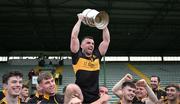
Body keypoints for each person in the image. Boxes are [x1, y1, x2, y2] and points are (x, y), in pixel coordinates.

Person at [70, 12, 110, 103]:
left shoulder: (97, 56)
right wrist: (80, 19)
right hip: (80, 96)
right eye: (88, 43)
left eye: (92, 43)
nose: (91, 45)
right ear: (81, 46)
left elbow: (106, 40)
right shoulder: (77, 56)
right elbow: (74, 37)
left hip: (95, 97)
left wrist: (103, 24)